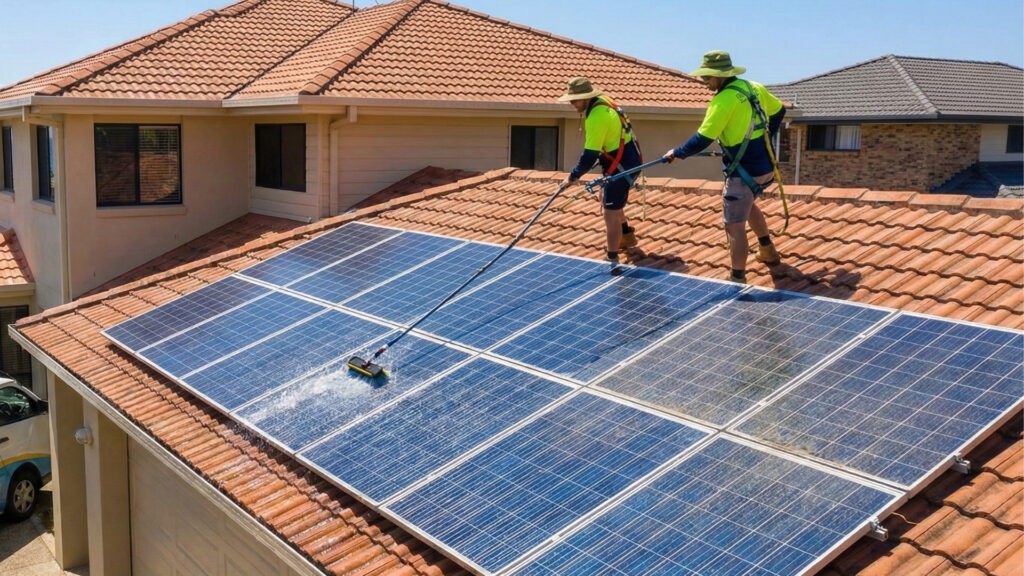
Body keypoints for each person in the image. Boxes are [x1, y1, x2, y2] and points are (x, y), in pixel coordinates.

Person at [663, 50, 786, 283]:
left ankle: (737, 277)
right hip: (765, 166)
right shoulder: (753, 88)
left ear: (720, 76)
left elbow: (702, 138)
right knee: (747, 205)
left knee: (734, 225)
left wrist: (676, 153)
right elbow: (779, 110)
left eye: (707, 77)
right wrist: (769, 134)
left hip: (743, 171)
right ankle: (767, 249)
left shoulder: (722, 101)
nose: (704, 81)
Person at [558, 77, 643, 262]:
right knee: (611, 199)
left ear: (586, 97)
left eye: (575, 100)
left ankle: (612, 258)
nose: (572, 104)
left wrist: (572, 177)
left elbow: (588, 156)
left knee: (609, 212)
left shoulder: (597, 116)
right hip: (626, 159)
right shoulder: (604, 101)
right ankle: (627, 236)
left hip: (621, 165)